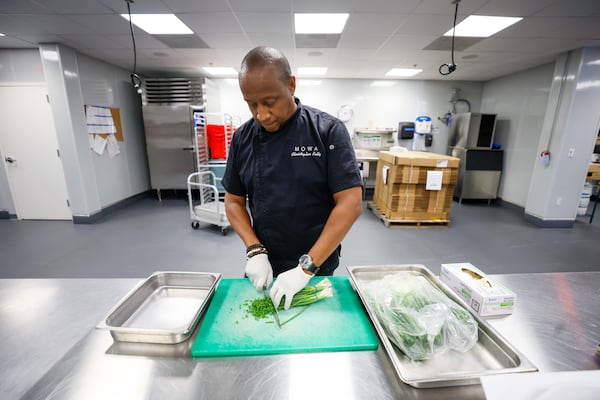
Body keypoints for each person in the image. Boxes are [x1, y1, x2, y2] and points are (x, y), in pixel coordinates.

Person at [222, 46, 363, 310]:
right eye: (251, 104)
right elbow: (233, 202)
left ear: (291, 84)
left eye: (269, 102)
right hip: (264, 262)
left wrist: (306, 268)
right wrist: (254, 250)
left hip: (315, 264)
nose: (261, 114)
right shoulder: (243, 138)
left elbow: (350, 203)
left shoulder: (327, 131)